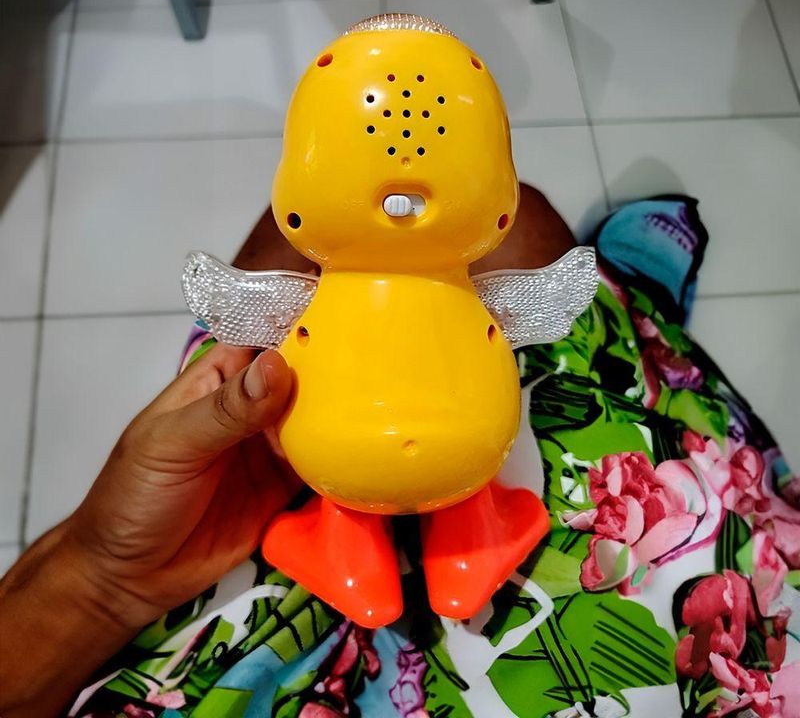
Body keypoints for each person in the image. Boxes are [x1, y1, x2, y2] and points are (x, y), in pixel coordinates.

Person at [1, 186, 798, 718]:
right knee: (537, 260)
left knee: (294, 246)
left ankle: (616, 313)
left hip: (233, 591)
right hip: (572, 603)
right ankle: (631, 311)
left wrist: (102, 578)